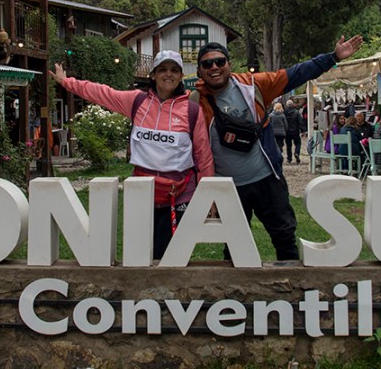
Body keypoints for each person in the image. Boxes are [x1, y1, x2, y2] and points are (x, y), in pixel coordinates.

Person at [195, 36, 364, 261]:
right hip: (228, 187)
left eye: (220, 61)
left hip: (266, 179)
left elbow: (296, 74)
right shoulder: (194, 102)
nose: (214, 67)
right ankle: (236, 286)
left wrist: (333, 57)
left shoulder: (252, 85)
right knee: (233, 247)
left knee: (284, 236)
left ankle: (291, 283)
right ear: (199, 70)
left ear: (229, 64)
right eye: (207, 64)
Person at [50, 51, 214, 260]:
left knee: (169, 256)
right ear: (153, 75)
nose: (168, 74)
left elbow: (203, 156)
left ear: (181, 76)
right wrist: (67, 82)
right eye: (163, 69)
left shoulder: (191, 111)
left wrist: (210, 197)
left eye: (174, 70)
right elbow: (103, 93)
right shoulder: (137, 101)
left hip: (179, 193)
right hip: (142, 192)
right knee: (140, 256)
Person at [283, 99, 304, 165]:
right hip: (295, 131)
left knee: (288, 145)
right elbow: (300, 122)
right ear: (292, 105)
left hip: (287, 132)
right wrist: (302, 130)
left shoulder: (285, 112)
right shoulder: (296, 112)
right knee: (298, 143)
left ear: (287, 105)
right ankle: (297, 152)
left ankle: (289, 158)